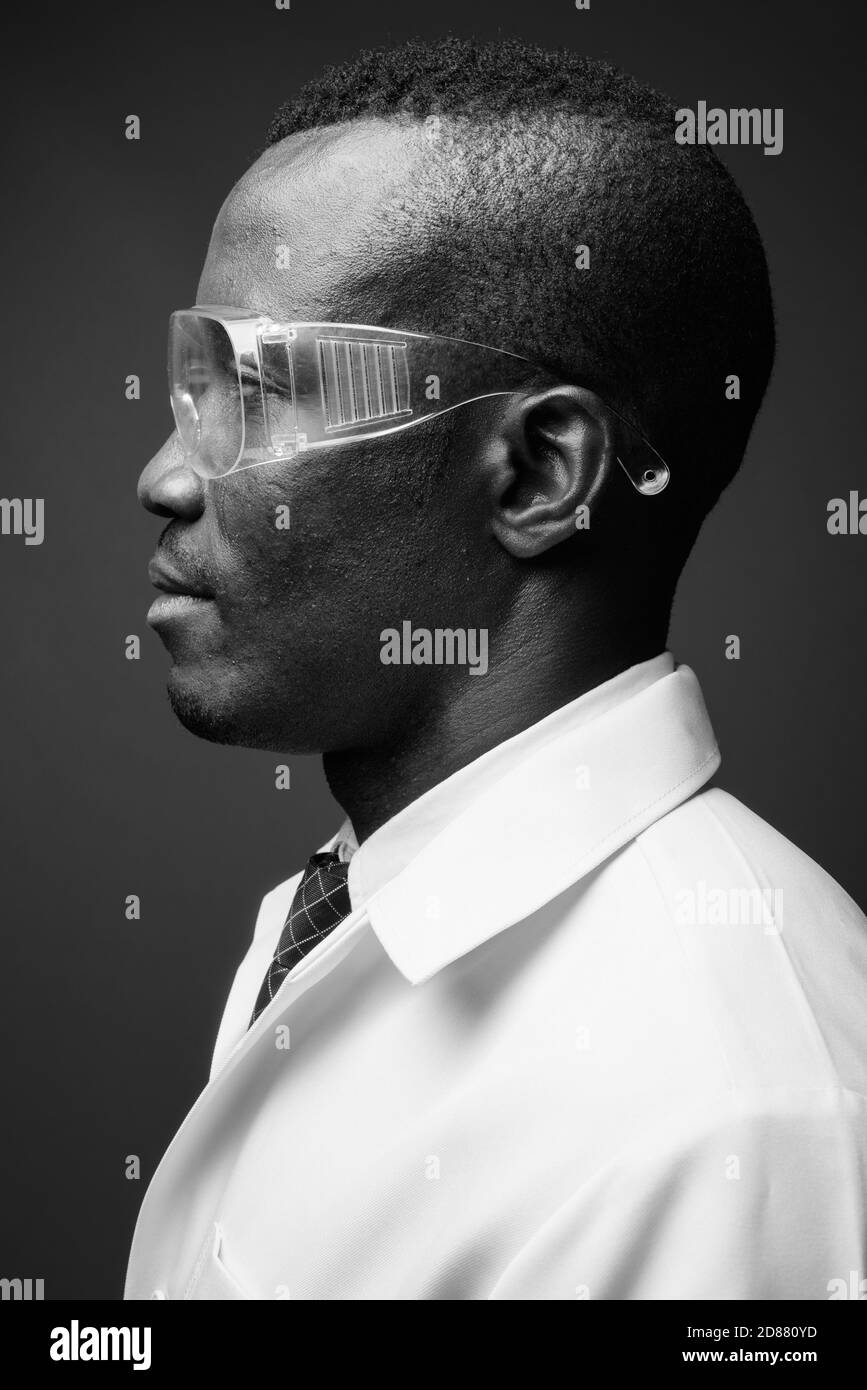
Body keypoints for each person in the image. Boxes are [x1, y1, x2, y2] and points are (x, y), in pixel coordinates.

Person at [128, 37, 867, 1300]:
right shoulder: (350, 907)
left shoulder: (731, 1118)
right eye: (194, 386)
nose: (166, 476)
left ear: (537, 473)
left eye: (257, 392)